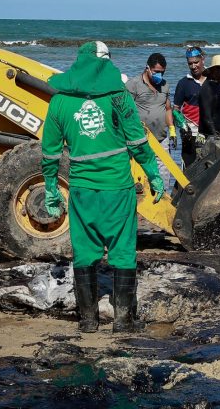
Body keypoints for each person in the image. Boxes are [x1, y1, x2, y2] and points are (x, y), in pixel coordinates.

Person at [42, 41, 164, 333]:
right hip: (118, 189)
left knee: (84, 253)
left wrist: (50, 188)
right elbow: (137, 141)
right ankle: (123, 321)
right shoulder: (119, 97)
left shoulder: (59, 101)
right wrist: (152, 174)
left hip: (82, 191)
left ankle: (88, 321)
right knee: (122, 252)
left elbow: (49, 152)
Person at [125, 52, 175, 189]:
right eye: (156, 72)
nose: (160, 76)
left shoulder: (165, 85)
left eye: (162, 73)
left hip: (161, 138)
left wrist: (172, 129)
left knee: (164, 174)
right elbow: (125, 111)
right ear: (147, 68)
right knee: (139, 176)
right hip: (139, 139)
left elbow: (168, 108)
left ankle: (164, 200)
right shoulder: (133, 85)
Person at [173, 46, 206, 167]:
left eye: (196, 62)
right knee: (189, 165)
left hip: (210, 132)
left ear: (203, 59)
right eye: (190, 63)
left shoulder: (213, 80)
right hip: (190, 132)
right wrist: (182, 125)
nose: (193, 66)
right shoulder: (183, 83)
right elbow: (176, 109)